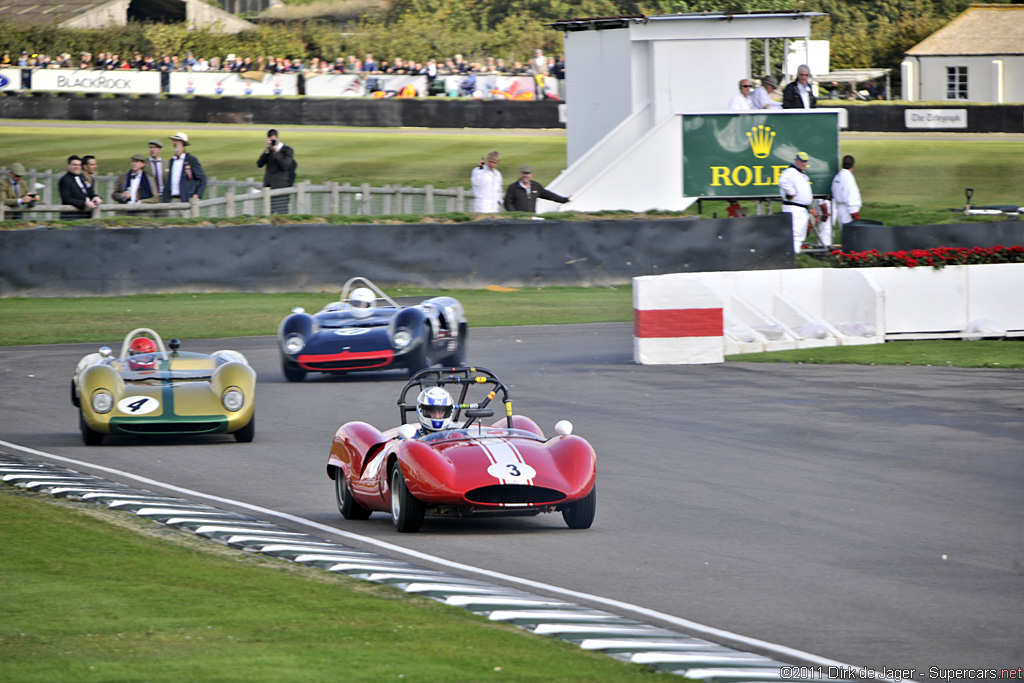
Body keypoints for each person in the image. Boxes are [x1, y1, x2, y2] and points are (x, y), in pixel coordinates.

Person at [778, 151, 816, 253]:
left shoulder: (801, 174)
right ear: (796, 161)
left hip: (801, 209)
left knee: (800, 234)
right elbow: (782, 181)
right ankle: (793, 255)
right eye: (802, 161)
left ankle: (796, 254)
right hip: (794, 208)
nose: (804, 164)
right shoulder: (791, 172)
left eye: (805, 161)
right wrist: (791, 193)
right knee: (795, 233)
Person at [162, 132, 207, 215]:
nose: (174, 143)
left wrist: (197, 194)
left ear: (183, 144)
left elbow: (202, 179)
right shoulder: (172, 161)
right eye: (174, 141)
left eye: (177, 141)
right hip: (173, 200)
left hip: (186, 200)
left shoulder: (191, 160)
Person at [257, 128, 296, 214]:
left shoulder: (287, 150)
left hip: (281, 187)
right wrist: (267, 150)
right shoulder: (268, 151)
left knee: (282, 213)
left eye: (274, 139)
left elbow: (285, 165)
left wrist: (276, 152)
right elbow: (259, 164)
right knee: (267, 213)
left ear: (278, 138)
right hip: (269, 187)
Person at [503, 166, 570, 213]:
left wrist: (564, 199)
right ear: (520, 174)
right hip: (518, 220)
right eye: (524, 173)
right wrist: (514, 215)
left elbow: (548, 195)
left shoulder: (535, 186)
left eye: (527, 173)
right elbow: (507, 203)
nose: (525, 176)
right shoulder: (513, 187)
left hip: (532, 218)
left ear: (531, 175)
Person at [58, 155, 101, 220]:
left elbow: (88, 192)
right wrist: (85, 204)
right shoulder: (65, 180)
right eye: (74, 165)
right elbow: (66, 199)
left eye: (79, 165)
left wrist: (95, 197)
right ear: (69, 166)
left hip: (86, 215)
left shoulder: (81, 177)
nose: (77, 167)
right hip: (72, 216)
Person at [831, 154, 862, 227]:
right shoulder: (848, 178)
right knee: (851, 234)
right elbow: (850, 195)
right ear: (853, 165)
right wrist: (855, 213)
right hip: (847, 210)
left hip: (839, 208)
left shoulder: (838, 176)